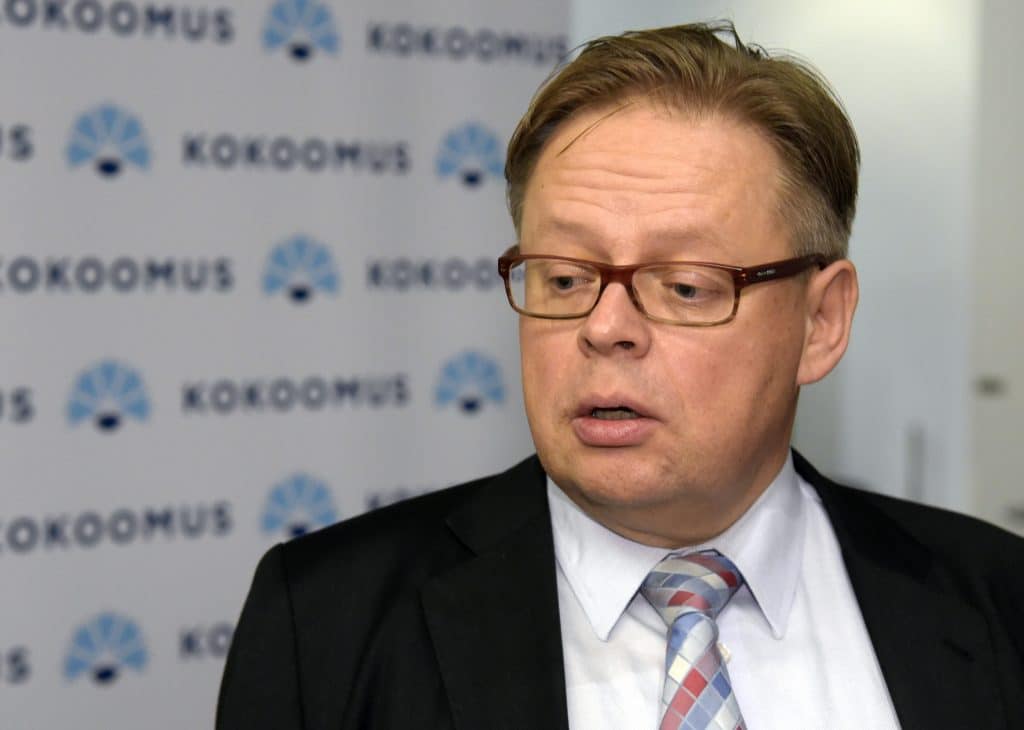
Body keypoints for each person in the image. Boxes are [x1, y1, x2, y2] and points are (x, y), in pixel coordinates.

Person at [216, 22, 1024, 730]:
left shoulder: (995, 599)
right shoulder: (325, 623)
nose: (604, 328)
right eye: (565, 278)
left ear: (821, 322)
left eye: (685, 287)